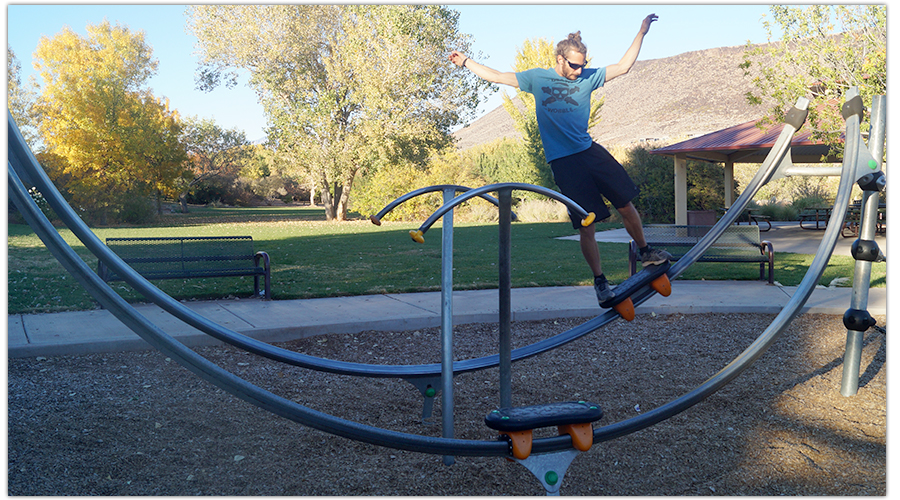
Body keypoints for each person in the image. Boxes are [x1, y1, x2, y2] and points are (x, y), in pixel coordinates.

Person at [449, 13, 672, 305]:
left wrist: (641, 32)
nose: (580, 71)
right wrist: (466, 62)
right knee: (586, 224)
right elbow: (498, 76)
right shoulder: (538, 78)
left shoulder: (590, 77)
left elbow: (624, 66)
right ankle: (601, 282)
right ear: (560, 59)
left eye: (584, 65)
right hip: (564, 162)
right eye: (575, 65)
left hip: (590, 151)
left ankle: (646, 252)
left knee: (626, 204)